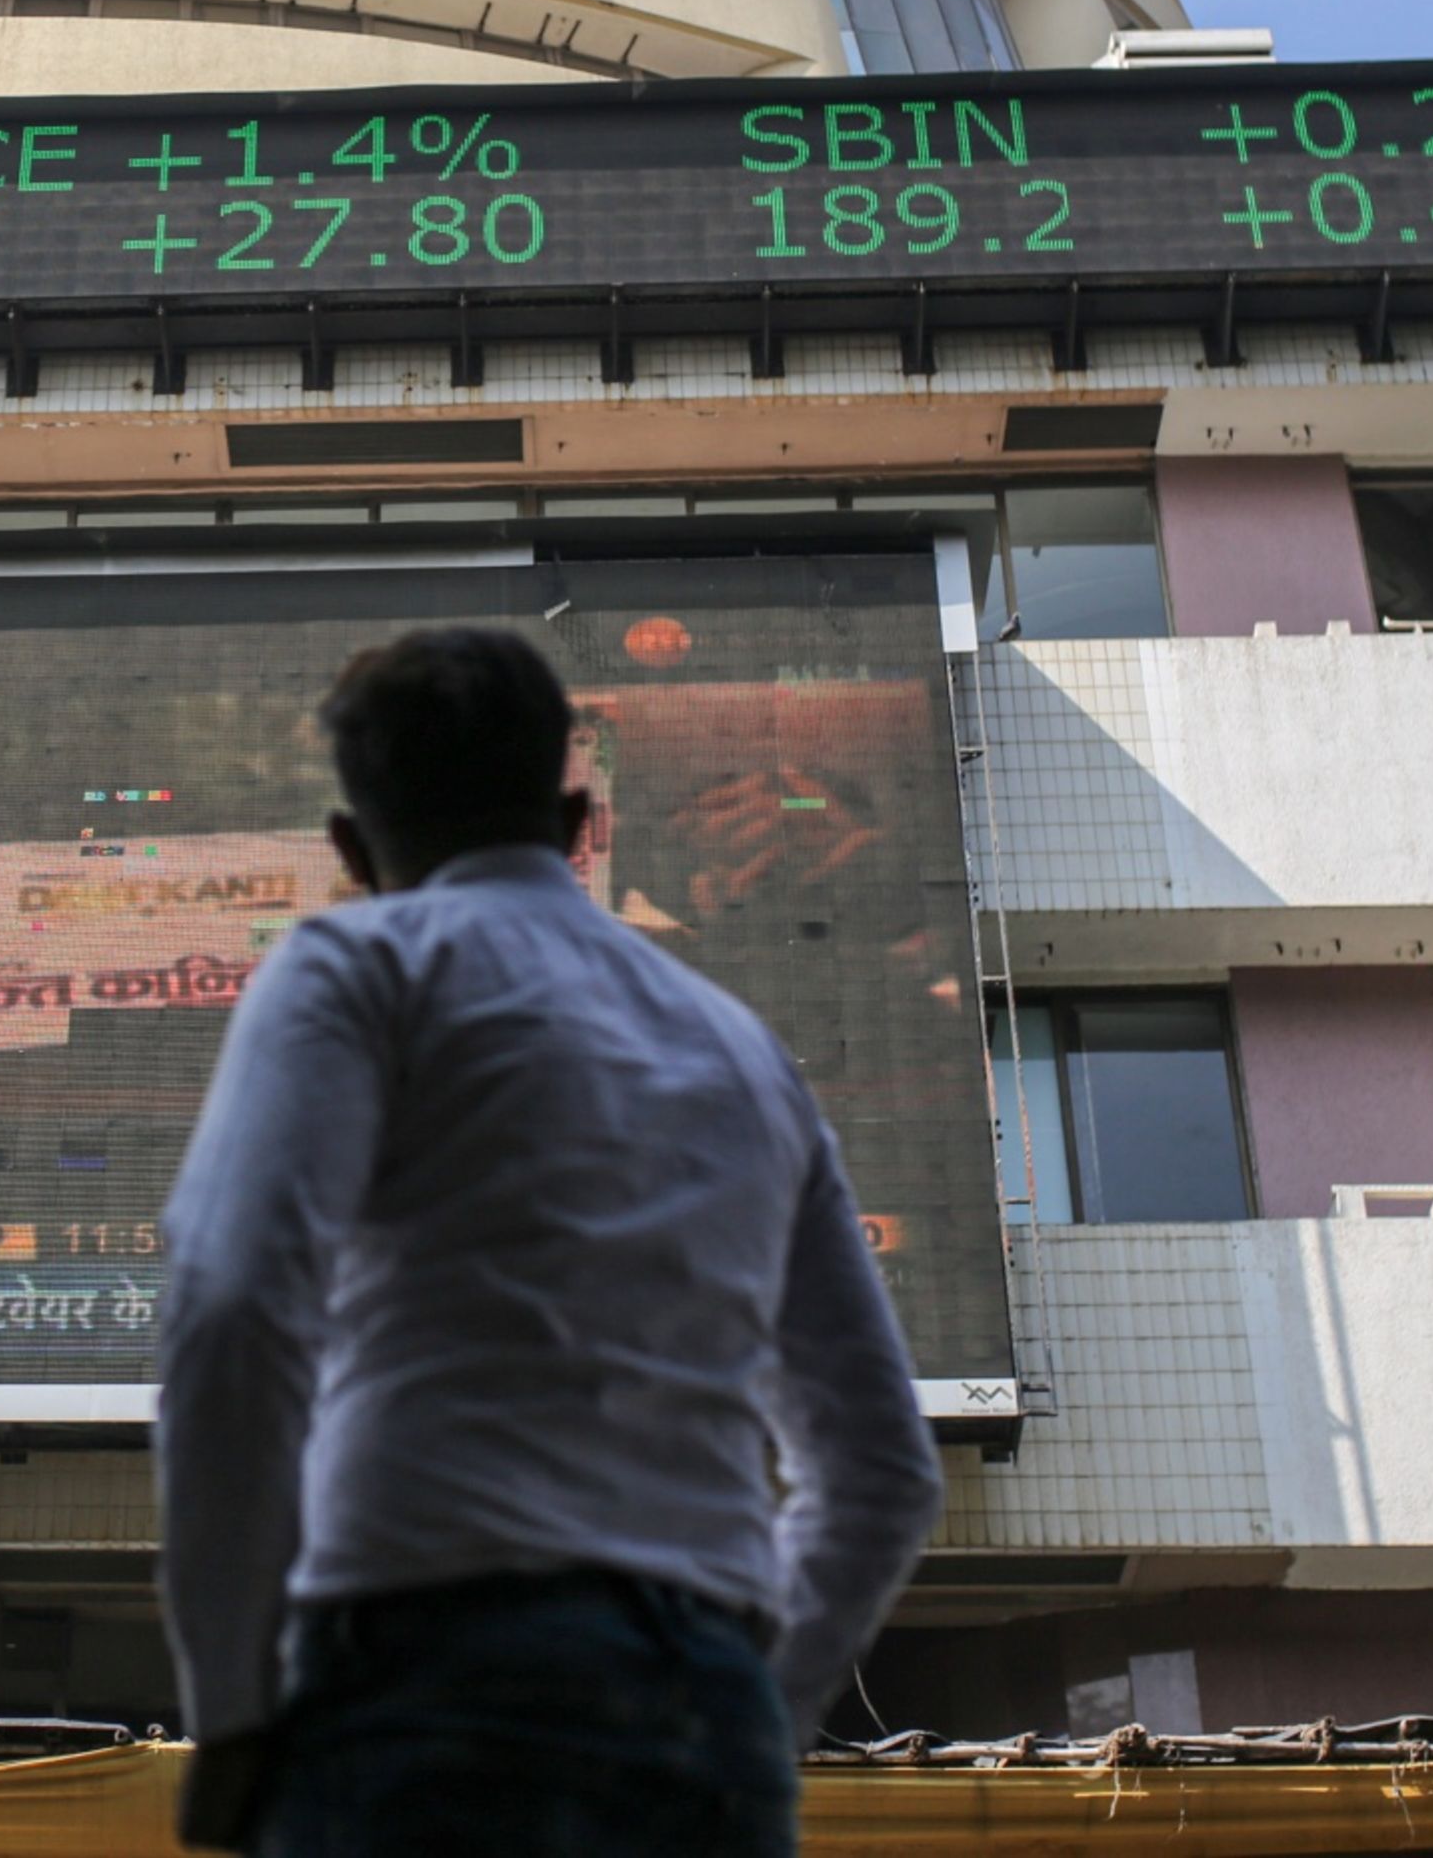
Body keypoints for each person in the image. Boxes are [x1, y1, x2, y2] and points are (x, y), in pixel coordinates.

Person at [157, 627, 943, 1856]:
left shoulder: (352, 968)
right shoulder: (741, 1048)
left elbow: (231, 1304)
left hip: (419, 1684)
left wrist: (236, 1712)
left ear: (351, 850)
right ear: (575, 814)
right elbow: (883, 1472)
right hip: (709, 1719)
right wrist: (750, 1703)